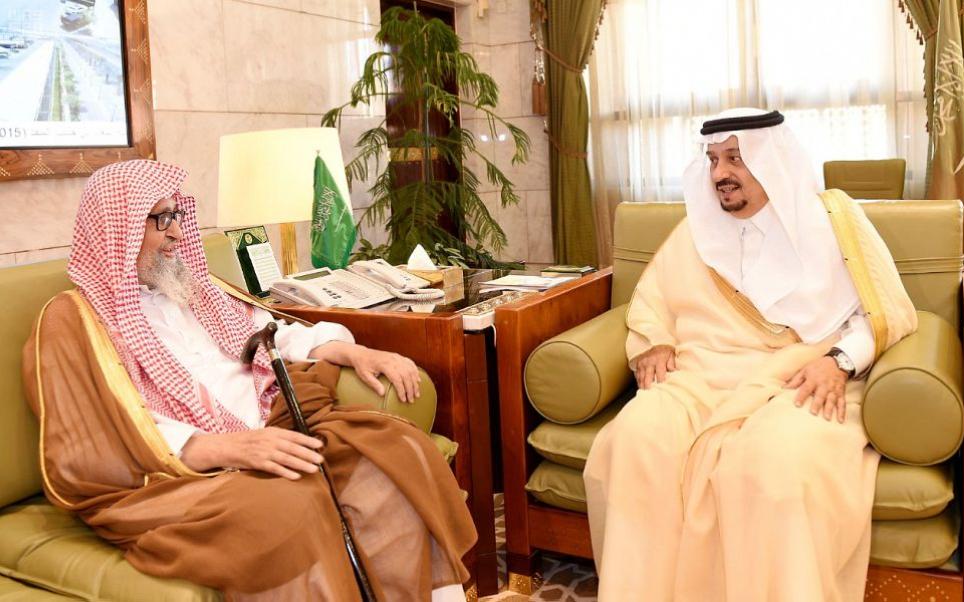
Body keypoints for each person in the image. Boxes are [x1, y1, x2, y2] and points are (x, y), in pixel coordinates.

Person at [23, 160, 476, 601]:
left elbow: (267, 334)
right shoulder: (73, 320)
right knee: (288, 508)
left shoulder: (191, 286)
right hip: (178, 473)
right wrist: (227, 449)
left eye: (176, 215)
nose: (177, 232)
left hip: (272, 426)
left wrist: (351, 351)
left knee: (398, 449)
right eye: (160, 220)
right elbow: (95, 432)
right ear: (116, 229)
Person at [582, 108, 918, 601]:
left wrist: (839, 362)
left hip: (798, 377)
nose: (720, 173)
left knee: (767, 463)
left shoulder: (834, 222)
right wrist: (655, 340)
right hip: (700, 375)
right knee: (635, 437)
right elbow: (652, 302)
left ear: (771, 159)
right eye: (713, 160)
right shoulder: (694, 231)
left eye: (735, 158)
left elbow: (886, 311)